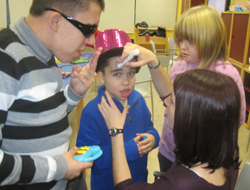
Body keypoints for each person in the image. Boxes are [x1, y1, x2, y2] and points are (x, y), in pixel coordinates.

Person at [0, 0, 104, 189]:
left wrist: (73, 93)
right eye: (88, 29)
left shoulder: (44, 53)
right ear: (56, 21)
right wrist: (59, 168)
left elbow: (37, 117)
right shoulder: (5, 58)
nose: (91, 41)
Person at [99, 69, 241, 190]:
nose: (166, 103)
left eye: (172, 101)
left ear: (189, 118)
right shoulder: (227, 148)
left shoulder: (182, 184)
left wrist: (116, 131)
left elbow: (125, 188)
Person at [158, 5, 246, 172]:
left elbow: (237, 118)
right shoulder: (178, 67)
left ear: (210, 39)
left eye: (190, 41)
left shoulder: (227, 74)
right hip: (170, 151)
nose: (182, 46)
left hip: (206, 162)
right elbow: (171, 104)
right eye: (181, 39)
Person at [76, 29, 160, 190]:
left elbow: (150, 127)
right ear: (101, 77)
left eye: (131, 73)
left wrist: (153, 138)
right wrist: (128, 150)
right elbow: (85, 156)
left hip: (139, 182)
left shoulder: (138, 100)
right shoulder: (92, 112)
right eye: (117, 74)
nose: (126, 81)